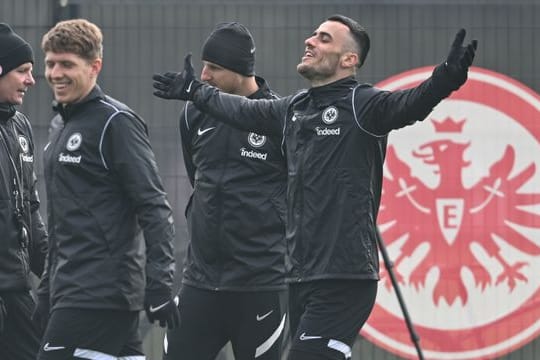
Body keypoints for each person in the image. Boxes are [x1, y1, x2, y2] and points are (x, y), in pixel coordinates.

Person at [153, 14, 478, 360]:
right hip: (301, 277)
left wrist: (444, 80)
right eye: (312, 35)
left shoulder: (362, 104)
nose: (310, 41)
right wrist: (195, 92)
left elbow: (409, 105)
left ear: (349, 60)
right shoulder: (296, 108)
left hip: (344, 278)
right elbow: (240, 110)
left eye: (324, 38)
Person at [34, 18, 180, 360]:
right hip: (73, 291)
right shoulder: (60, 125)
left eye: (67, 64)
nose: (56, 73)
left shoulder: (116, 123)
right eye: (51, 64)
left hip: (99, 295)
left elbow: (154, 207)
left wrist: (159, 283)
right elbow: (61, 223)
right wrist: (46, 291)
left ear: (95, 66)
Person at [162, 22, 288, 360]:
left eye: (214, 68)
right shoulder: (193, 114)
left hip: (260, 284)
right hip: (200, 282)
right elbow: (198, 178)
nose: (204, 76)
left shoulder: (277, 118)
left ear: (241, 70)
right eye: (203, 66)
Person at [0, 22, 48, 360]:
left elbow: (30, 205)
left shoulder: (20, 125)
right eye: (23, 71)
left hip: (16, 288)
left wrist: (51, 270)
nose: (32, 80)